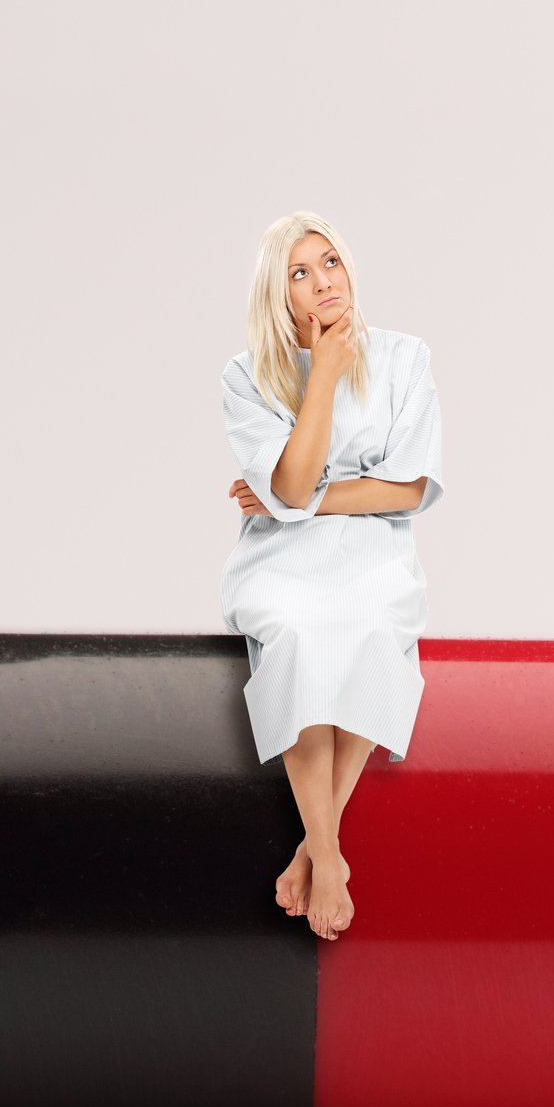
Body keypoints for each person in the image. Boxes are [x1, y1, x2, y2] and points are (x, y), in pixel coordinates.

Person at [218, 212, 445, 943]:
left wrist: (302, 501)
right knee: (294, 635)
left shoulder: (405, 358)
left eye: (330, 263)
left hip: (373, 547)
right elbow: (288, 483)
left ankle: (315, 848)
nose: (322, 282)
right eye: (300, 273)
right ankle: (329, 855)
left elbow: (406, 489)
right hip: (281, 557)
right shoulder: (247, 376)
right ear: (278, 293)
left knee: (374, 629)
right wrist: (323, 376)